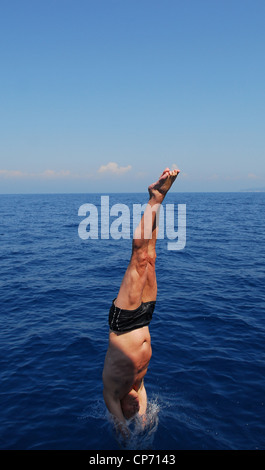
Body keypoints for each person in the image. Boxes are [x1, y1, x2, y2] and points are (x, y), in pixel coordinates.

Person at [102, 167, 180, 429]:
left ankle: (153, 198)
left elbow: (120, 427)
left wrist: (125, 434)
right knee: (151, 258)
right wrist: (144, 420)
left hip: (123, 324)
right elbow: (142, 403)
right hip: (145, 319)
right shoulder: (136, 385)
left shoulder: (112, 393)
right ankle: (161, 200)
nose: (135, 406)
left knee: (138, 257)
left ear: (121, 407)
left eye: (130, 410)